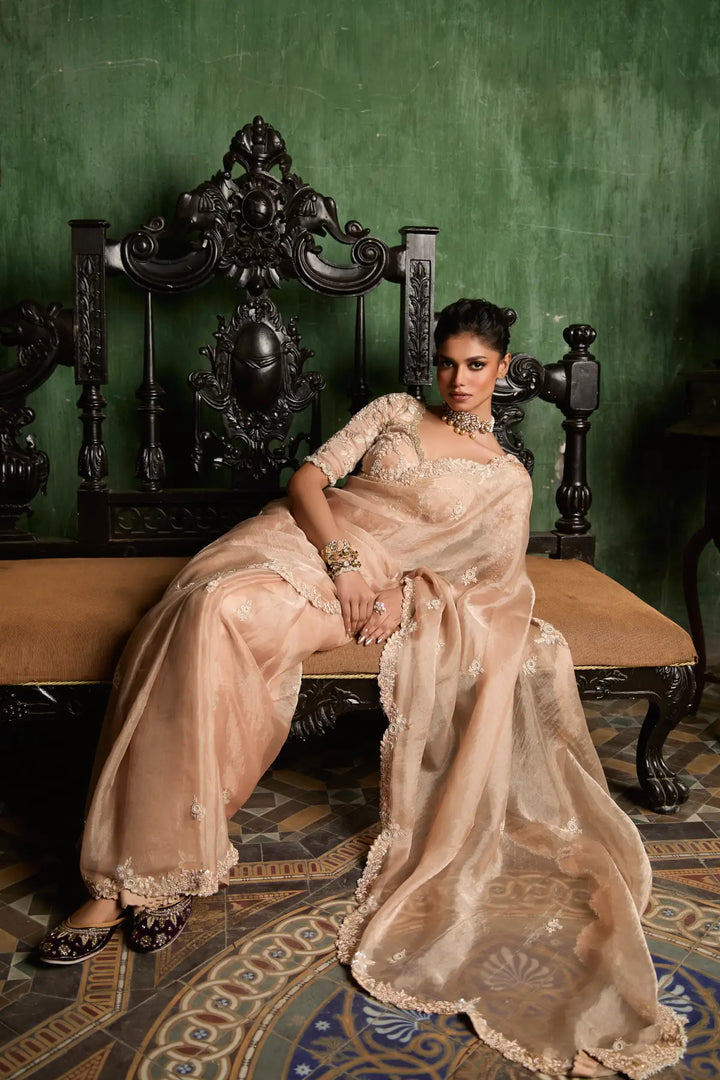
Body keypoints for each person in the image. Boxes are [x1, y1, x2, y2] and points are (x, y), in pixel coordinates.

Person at [38, 299, 685, 1078]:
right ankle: (133, 873)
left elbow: (485, 585)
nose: (458, 379)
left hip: (379, 593)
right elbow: (308, 479)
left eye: (476, 365)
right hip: (304, 542)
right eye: (447, 362)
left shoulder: (508, 481)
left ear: (504, 369)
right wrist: (342, 559)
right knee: (206, 608)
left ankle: (160, 867)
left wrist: (395, 596)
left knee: (229, 622)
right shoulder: (393, 411)